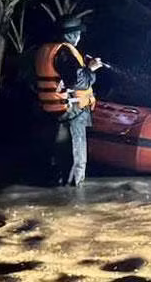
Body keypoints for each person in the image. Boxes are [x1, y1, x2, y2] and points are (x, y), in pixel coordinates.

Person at [34, 16, 104, 187]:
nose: (80, 36)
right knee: (74, 161)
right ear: (72, 35)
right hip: (70, 113)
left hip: (52, 111)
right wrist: (90, 69)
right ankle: (73, 197)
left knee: (58, 159)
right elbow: (79, 82)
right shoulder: (64, 52)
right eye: (78, 33)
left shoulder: (45, 49)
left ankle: (58, 193)